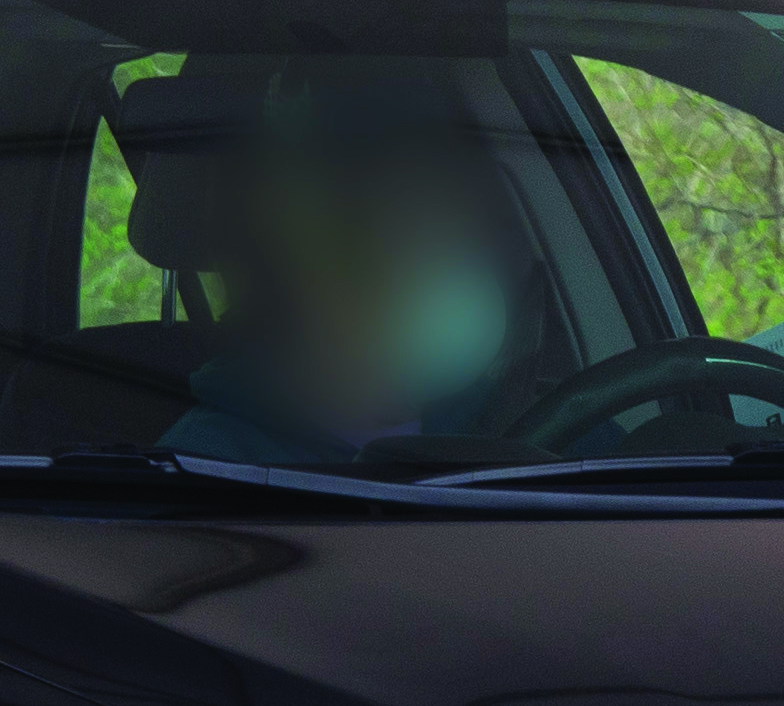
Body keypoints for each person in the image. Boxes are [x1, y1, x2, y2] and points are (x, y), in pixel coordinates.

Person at [164, 86, 518, 466]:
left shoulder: (498, 423)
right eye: (371, 245)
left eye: (446, 241)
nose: (432, 276)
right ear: (282, 282)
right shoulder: (206, 466)